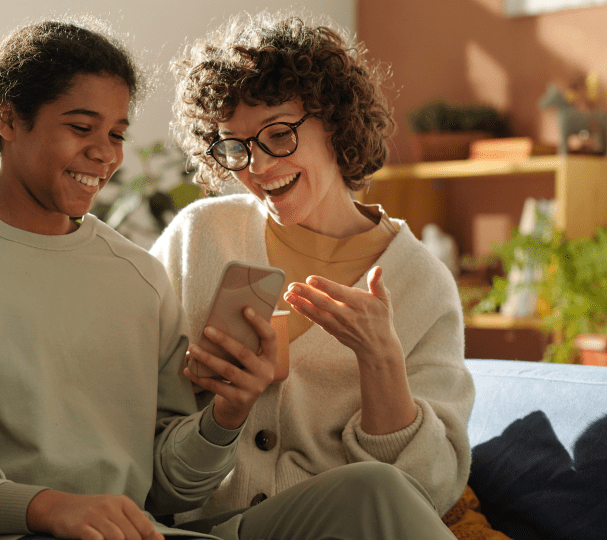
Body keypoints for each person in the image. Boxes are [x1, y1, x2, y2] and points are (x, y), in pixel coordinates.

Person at [0, 18, 279, 540]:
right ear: (8, 119)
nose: (105, 153)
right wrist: (48, 508)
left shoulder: (140, 278)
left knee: (364, 491)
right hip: (11, 534)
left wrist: (226, 415)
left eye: (116, 134)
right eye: (81, 128)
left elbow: (169, 491)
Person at [151, 11, 474, 538]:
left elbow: (428, 492)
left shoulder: (422, 283)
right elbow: (147, 463)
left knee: (377, 489)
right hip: (208, 531)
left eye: (279, 134)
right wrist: (224, 412)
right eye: (234, 145)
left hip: (342, 529)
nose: (256, 167)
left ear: (335, 122)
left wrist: (381, 361)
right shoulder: (199, 239)